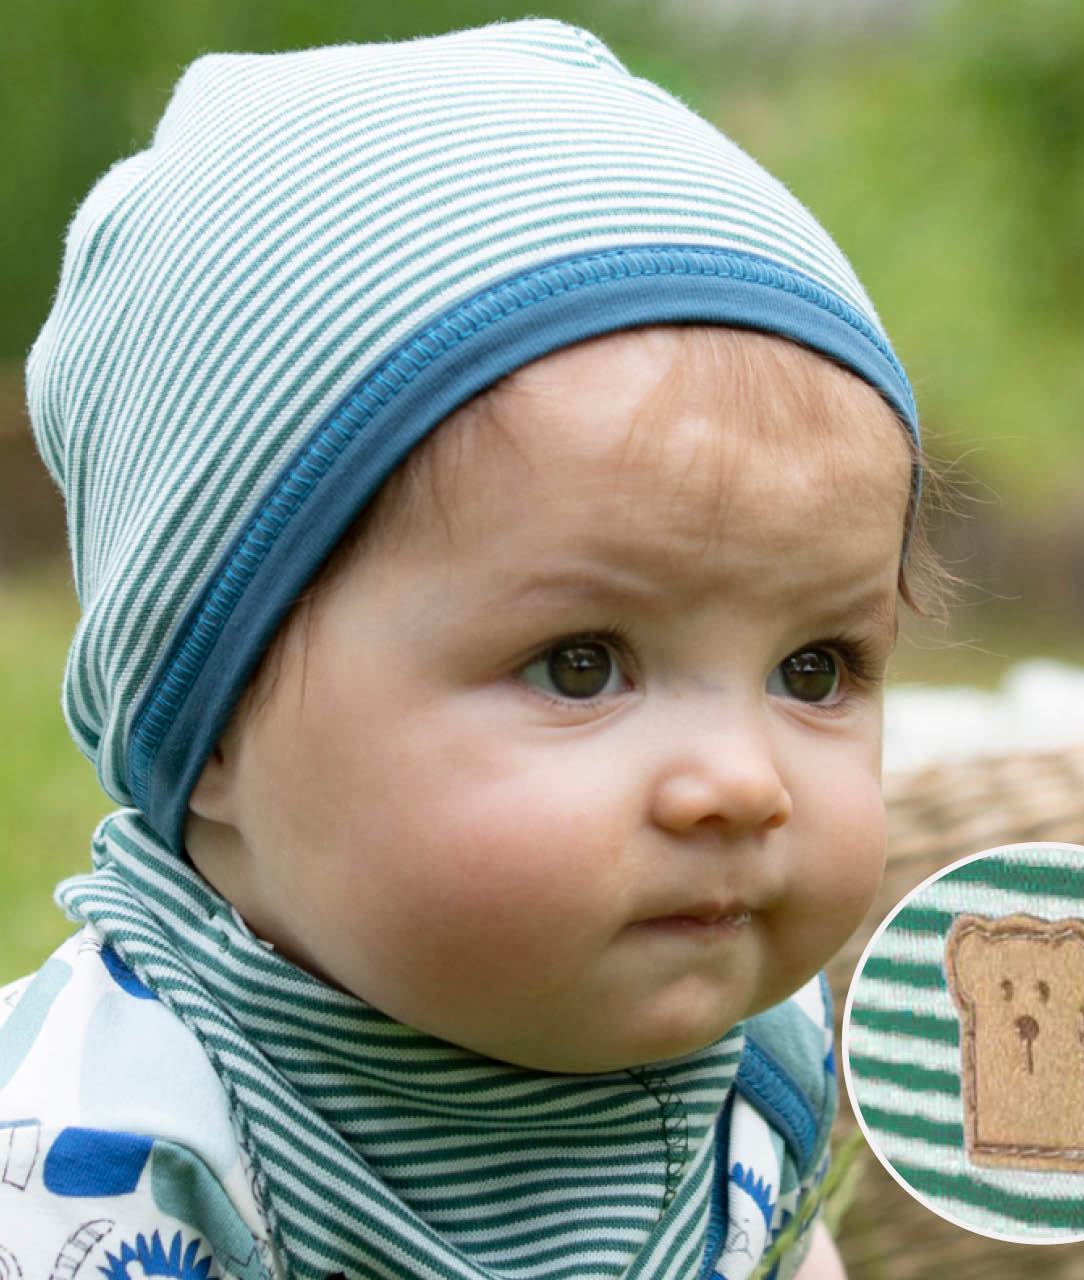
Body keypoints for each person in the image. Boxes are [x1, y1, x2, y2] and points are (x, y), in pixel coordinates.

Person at [1, 19, 932, 1280]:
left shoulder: (761, 1052)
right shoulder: (117, 1145)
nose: (742, 781)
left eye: (812, 669)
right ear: (209, 716)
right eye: (580, 664)